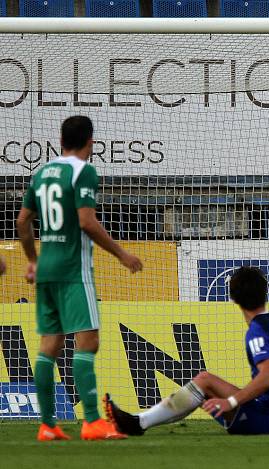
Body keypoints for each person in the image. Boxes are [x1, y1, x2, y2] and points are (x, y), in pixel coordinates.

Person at [17, 115, 143, 441]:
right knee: (88, 341)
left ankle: (47, 425)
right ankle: (91, 421)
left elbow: (22, 221)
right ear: (91, 142)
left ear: (60, 141)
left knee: (50, 345)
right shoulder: (83, 171)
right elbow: (86, 222)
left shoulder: (42, 173)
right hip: (74, 270)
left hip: (47, 269)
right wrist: (122, 254)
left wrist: (33, 261)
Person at [105, 266, 269, 435]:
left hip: (266, 421)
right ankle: (138, 422)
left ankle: (138, 422)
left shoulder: (257, 331)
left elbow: (268, 376)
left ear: (234, 299)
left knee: (204, 381)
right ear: (264, 292)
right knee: (204, 384)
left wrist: (229, 401)